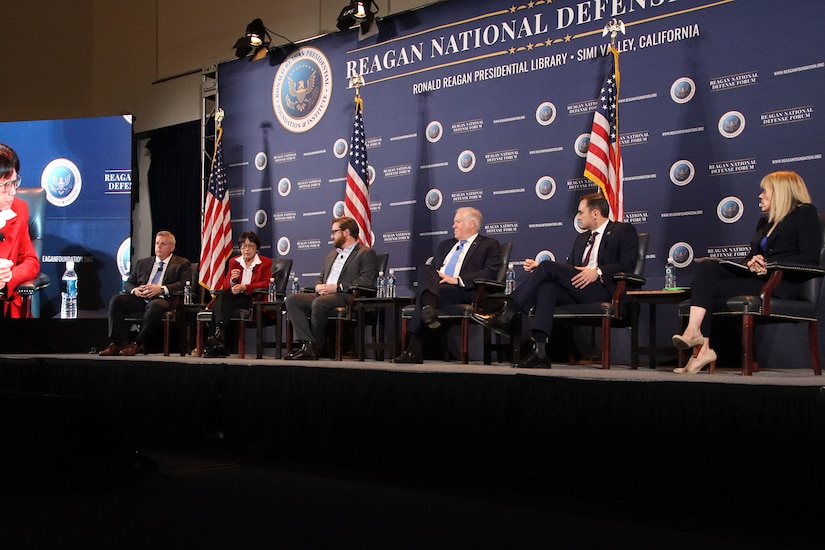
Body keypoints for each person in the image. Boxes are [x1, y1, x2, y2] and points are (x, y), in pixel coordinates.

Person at [671, 171, 821, 374]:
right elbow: (752, 255)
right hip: (757, 278)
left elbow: (809, 259)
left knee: (706, 288)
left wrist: (770, 263)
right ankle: (700, 344)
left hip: (780, 284)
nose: (760, 196)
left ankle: (698, 346)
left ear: (781, 192)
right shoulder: (765, 223)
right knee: (707, 268)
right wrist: (752, 261)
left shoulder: (805, 214)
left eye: (765, 191)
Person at [473, 193, 638, 369]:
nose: (579, 217)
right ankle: (541, 352)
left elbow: (627, 265)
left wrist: (597, 271)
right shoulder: (581, 238)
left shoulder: (622, 230)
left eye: (581, 212)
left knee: (547, 268)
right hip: (579, 288)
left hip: (604, 289)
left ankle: (508, 314)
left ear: (595, 213)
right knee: (547, 287)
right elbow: (569, 267)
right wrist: (540, 269)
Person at [393, 207, 502, 364]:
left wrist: (457, 279)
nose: (453, 226)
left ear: (472, 224)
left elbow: (490, 272)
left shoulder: (489, 245)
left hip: (465, 290)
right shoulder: (445, 245)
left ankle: (414, 347)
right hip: (439, 289)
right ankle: (427, 312)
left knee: (425, 298)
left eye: (457, 222)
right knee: (425, 269)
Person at [283, 216, 378, 360]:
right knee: (292, 300)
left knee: (319, 303)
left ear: (346, 232)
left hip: (348, 296)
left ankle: (316, 348)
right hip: (324, 295)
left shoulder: (365, 253)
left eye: (334, 232)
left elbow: (367, 280)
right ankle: (308, 344)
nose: (331, 236)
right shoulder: (332, 255)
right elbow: (321, 277)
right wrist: (319, 286)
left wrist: (338, 287)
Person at [99, 231, 192, 356]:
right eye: (157, 243)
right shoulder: (143, 263)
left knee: (155, 305)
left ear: (172, 247)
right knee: (117, 300)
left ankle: (136, 343)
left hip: (164, 299)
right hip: (141, 298)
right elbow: (128, 283)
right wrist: (135, 290)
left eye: (163, 244)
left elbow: (184, 283)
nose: (158, 247)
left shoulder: (182, 263)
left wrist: (161, 288)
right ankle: (115, 343)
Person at [203, 231, 273, 358]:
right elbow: (225, 286)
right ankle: (219, 337)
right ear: (240, 248)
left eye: (251, 246)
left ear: (256, 248)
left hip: (252, 298)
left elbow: (267, 284)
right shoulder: (234, 261)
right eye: (244, 246)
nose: (247, 249)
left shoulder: (265, 263)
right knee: (223, 296)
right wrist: (232, 281)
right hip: (234, 297)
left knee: (221, 304)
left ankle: (215, 340)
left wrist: (245, 287)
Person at [0, 144, 40, 318]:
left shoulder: (20, 208)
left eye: (15, 182)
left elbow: (31, 260)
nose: (13, 192)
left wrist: (8, 278)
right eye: (6, 185)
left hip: (6, 304)